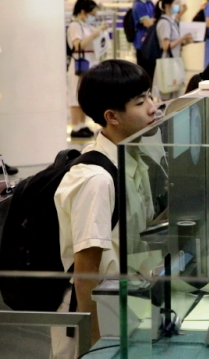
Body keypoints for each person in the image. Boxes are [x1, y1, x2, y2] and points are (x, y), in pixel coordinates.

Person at [51, 60, 157, 358]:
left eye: (150, 96)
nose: (153, 108)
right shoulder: (96, 180)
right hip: (93, 316)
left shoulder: (131, 158)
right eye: (140, 102)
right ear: (112, 116)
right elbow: (85, 274)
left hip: (123, 304)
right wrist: (96, 346)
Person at [66, 0, 111, 138]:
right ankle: (76, 126)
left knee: (84, 95)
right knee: (75, 95)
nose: (93, 17)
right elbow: (78, 46)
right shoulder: (75, 26)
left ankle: (82, 124)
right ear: (83, 12)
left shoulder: (86, 25)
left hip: (90, 62)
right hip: (80, 64)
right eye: (92, 14)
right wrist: (93, 35)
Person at [154, 0, 193, 99]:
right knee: (167, 95)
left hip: (174, 61)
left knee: (175, 95)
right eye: (176, 3)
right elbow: (166, 46)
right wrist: (182, 38)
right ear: (167, 5)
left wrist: (186, 41)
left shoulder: (172, 21)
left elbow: (175, 43)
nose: (178, 6)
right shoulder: (164, 23)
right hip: (167, 62)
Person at [131, 0, 157, 77]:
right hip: (142, 43)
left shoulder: (149, 3)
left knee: (152, 72)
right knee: (144, 72)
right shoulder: (138, 5)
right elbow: (147, 23)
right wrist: (154, 20)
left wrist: (153, 20)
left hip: (151, 42)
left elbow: (154, 19)